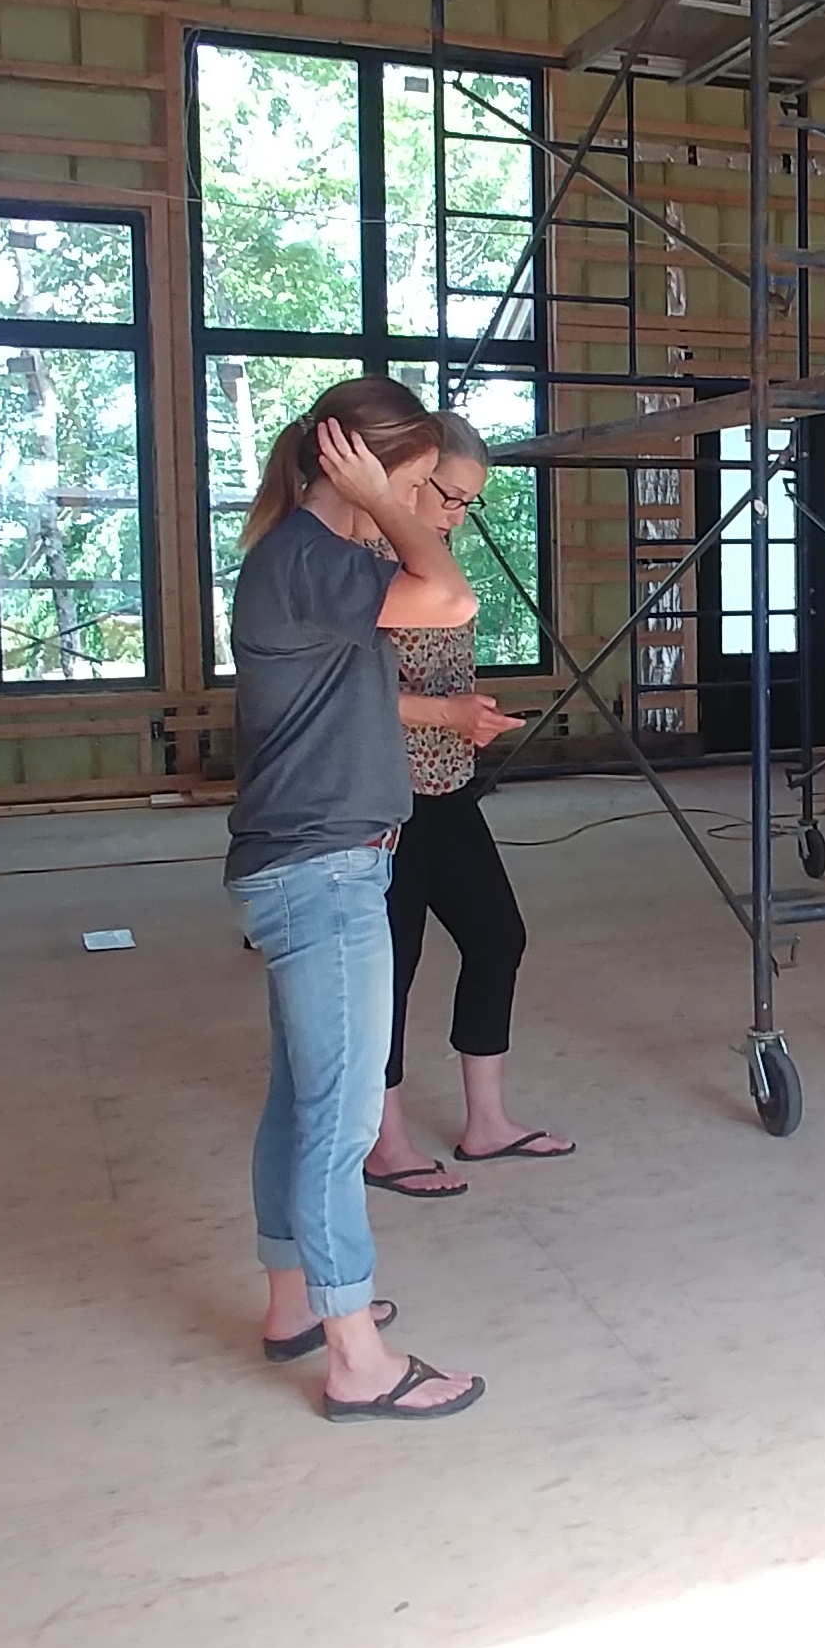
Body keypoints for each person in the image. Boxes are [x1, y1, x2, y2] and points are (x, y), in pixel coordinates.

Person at [230, 376, 485, 1422]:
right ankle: (355, 1359)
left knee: (300, 1102)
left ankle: (294, 1304)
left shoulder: (312, 562)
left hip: (316, 862)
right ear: (356, 467)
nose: (426, 509)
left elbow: (422, 602)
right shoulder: (305, 556)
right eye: (418, 483)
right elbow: (453, 596)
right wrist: (382, 501)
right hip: (325, 869)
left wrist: (384, 507)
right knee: (338, 1125)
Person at [358, 413, 575, 1199]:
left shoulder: (432, 554)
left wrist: (464, 716)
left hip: (446, 786)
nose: (455, 514)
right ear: (407, 481)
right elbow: (350, 694)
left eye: (468, 503)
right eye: (448, 496)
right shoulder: (357, 561)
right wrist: (446, 714)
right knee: (392, 968)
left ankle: (488, 1122)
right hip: (382, 798)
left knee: (497, 937)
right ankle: (385, 1143)